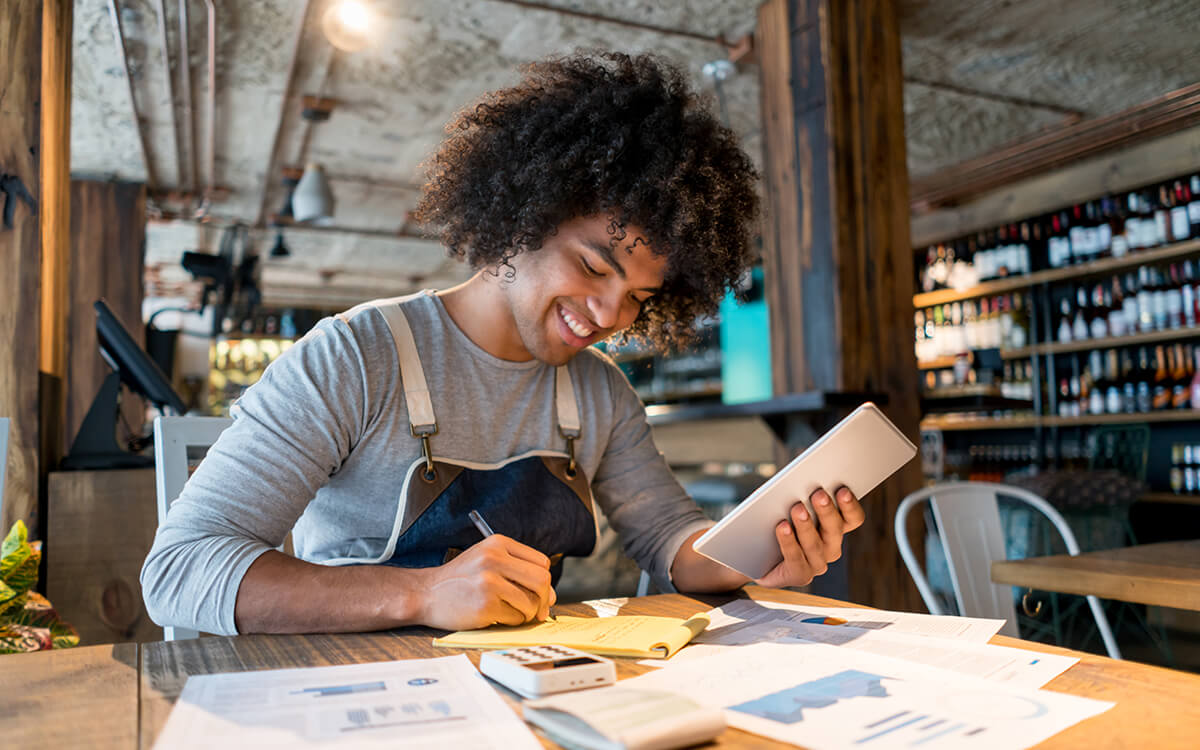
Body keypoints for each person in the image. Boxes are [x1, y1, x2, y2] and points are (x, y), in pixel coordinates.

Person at [141, 51, 865, 636]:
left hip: (534, 686)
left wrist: (757, 554)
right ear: (520, 220)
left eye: (640, 297)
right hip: (354, 693)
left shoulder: (600, 393)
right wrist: (422, 595)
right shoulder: (356, 357)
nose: (612, 313)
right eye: (592, 266)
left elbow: (671, 541)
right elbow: (179, 571)